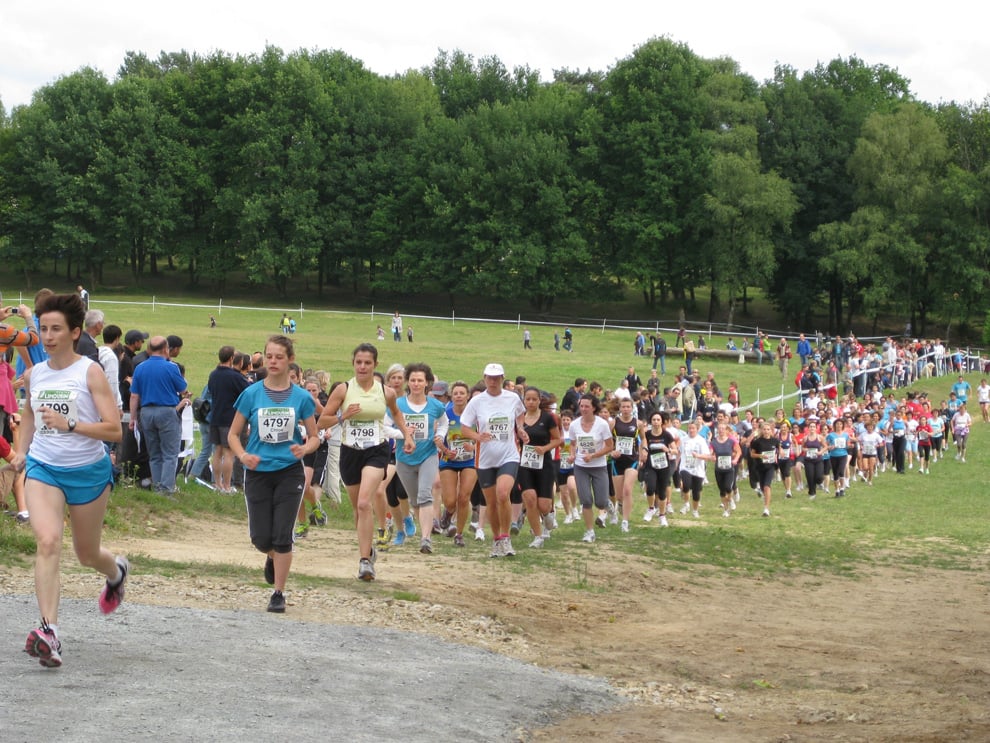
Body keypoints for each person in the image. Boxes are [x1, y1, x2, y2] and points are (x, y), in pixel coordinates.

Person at [11, 292, 125, 668]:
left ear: (75, 332)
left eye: (56, 329)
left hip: (88, 473)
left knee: (86, 554)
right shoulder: (36, 373)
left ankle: (116, 572)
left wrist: (71, 424)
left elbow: (114, 430)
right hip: (44, 468)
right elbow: (29, 414)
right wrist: (22, 452)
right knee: (47, 541)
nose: (47, 336)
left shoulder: (89, 371)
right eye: (43, 328)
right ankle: (49, 631)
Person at [227, 335, 319, 612]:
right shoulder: (251, 394)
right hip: (257, 470)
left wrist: (305, 449)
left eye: (279, 357)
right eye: (269, 356)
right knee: (260, 538)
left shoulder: (302, 398)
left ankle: (278, 593)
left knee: (283, 535)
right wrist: (243, 455)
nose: (273, 361)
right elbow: (233, 434)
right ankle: (272, 556)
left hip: (289, 472)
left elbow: (314, 437)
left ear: (290, 360)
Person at [318, 344, 413, 580]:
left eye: (367, 362)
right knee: (358, 511)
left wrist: (408, 436)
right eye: (358, 362)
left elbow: (397, 414)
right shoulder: (343, 389)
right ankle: (367, 548)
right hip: (350, 452)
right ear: (353, 363)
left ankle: (364, 563)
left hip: (376, 451)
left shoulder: (386, 392)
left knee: (363, 503)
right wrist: (343, 416)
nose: (362, 366)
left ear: (375, 365)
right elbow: (322, 422)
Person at [458, 363, 528, 557]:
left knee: (503, 493)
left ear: (503, 378)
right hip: (485, 458)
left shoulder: (512, 398)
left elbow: (521, 415)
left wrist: (520, 428)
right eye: (490, 377)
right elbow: (464, 427)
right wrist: (477, 436)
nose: (493, 381)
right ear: (484, 378)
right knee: (491, 502)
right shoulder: (477, 401)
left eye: (497, 378)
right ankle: (497, 539)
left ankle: (506, 538)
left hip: (509, 454)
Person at [394, 363, 448, 554]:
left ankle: (426, 539)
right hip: (404, 458)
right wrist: (403, 433)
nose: (416, 384)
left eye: (420, 380)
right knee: (415, 500)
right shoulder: (398, 404)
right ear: (408, 382)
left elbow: (444, 422)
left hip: (428, 455)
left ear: (427, 383)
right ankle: (424, 530)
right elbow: (384, 427)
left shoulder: (436, 405)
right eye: (413, 380)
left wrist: (440, 436)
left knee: (425, 494)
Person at [129, 336, 189, 495]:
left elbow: (134, 396)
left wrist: (133, 418)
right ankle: (166, 490)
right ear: (165, 349)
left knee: (154, 454)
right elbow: (183, 388)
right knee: (170, 453)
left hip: (147, 412)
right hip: (167, 411)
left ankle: (156, 487)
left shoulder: (140, 367)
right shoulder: (171, 367)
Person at [566, 394, 614, 543]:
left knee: (600, 502)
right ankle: (589, 532)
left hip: (599, 466)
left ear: (594, 407)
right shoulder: (574, 425)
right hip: (581, 467)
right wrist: (572, 455)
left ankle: (609, 506)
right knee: (586, 500)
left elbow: (610, 446)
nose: (584, 409)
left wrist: (593, 455)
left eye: (587, 406)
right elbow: (573, 444)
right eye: (582, 406)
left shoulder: (602, 424)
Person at [518, 387, 562, 548]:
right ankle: (537, 536)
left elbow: (558, 440)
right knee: (530, 499)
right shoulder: (518, 419)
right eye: (527, 399)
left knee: (543, 505)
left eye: (533, 399)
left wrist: (544, 449)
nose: (530, 402)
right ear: (523, 401)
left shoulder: (548, 418)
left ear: (539, 401)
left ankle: (548, 515)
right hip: (524, 465)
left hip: (544, 464)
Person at [439, 381, 478, 547]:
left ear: (468, 396)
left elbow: (485, 436)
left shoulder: (476, 415)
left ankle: (459, 533)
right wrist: (445, 450)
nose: (459, 396)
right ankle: (447, 513)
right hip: (449, 460)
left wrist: (475, 445)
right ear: (451, 396)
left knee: (463, 498)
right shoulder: (445, 414)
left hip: (470, 460)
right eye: (456, 393)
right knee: (450, 501)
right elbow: (437, 438)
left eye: (462, 393)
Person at [207, 345, 251, 494]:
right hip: (229, 419)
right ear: (232, 358)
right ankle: (227, 486)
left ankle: (217, 483)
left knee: (217, 452)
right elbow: (248, 392)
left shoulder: (213, 374)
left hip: (215, 417)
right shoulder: (235, 376)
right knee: (228, 453)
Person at [639, 411, 677, 526]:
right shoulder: (647, 434)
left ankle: (662, 515)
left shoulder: (666, 435)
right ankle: (651, 508)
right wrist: (642, 456)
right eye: (654, 420)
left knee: (662, 492)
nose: (656, 422)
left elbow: (675, 450)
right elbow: (642, 447)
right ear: (651, 421)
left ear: (662, 422)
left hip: (664, 466)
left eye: (658, 420)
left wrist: (668, 450)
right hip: (651, 466)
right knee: (650, 487)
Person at [611, 397, 640, 532]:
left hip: (632, 460)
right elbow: (606, 441)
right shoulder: (613, 423)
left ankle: (625, 522)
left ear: (632, 408)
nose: (626, 409)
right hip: (617, 462)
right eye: (623, 407)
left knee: (627, 489)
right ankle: (621, 505)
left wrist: (644, 451)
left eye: (628, 407)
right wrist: (612, 451)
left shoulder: (638, 424)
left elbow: (643, 439)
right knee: (619, 496)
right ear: (620, 408)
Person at [710, 421, 742, 517]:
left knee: (728, 487)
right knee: (722, 491)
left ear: (727, 430)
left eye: (723, 428)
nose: (721, 430)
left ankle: (730, 500)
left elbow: (739, 451)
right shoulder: (714, 442)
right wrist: (712, 456)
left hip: (729, 469)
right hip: (719, 469)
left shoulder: (731, 441)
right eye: (719, 429)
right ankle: (726, 509)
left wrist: (735, 459)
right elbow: (710, 452)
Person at [750, 420, 780, 516]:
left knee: (767, 486)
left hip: (770, 466)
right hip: (760, 467)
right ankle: (765, 498)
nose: (766, 431)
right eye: (764, 429)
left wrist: (781, 453)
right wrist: (761, 456)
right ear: (761, 430)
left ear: (771, 430)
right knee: (763, 487)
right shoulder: (757, 442)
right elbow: (752, 454)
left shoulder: (775, 441)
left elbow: (779, 449)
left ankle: (766, 509)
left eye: (768, 429)